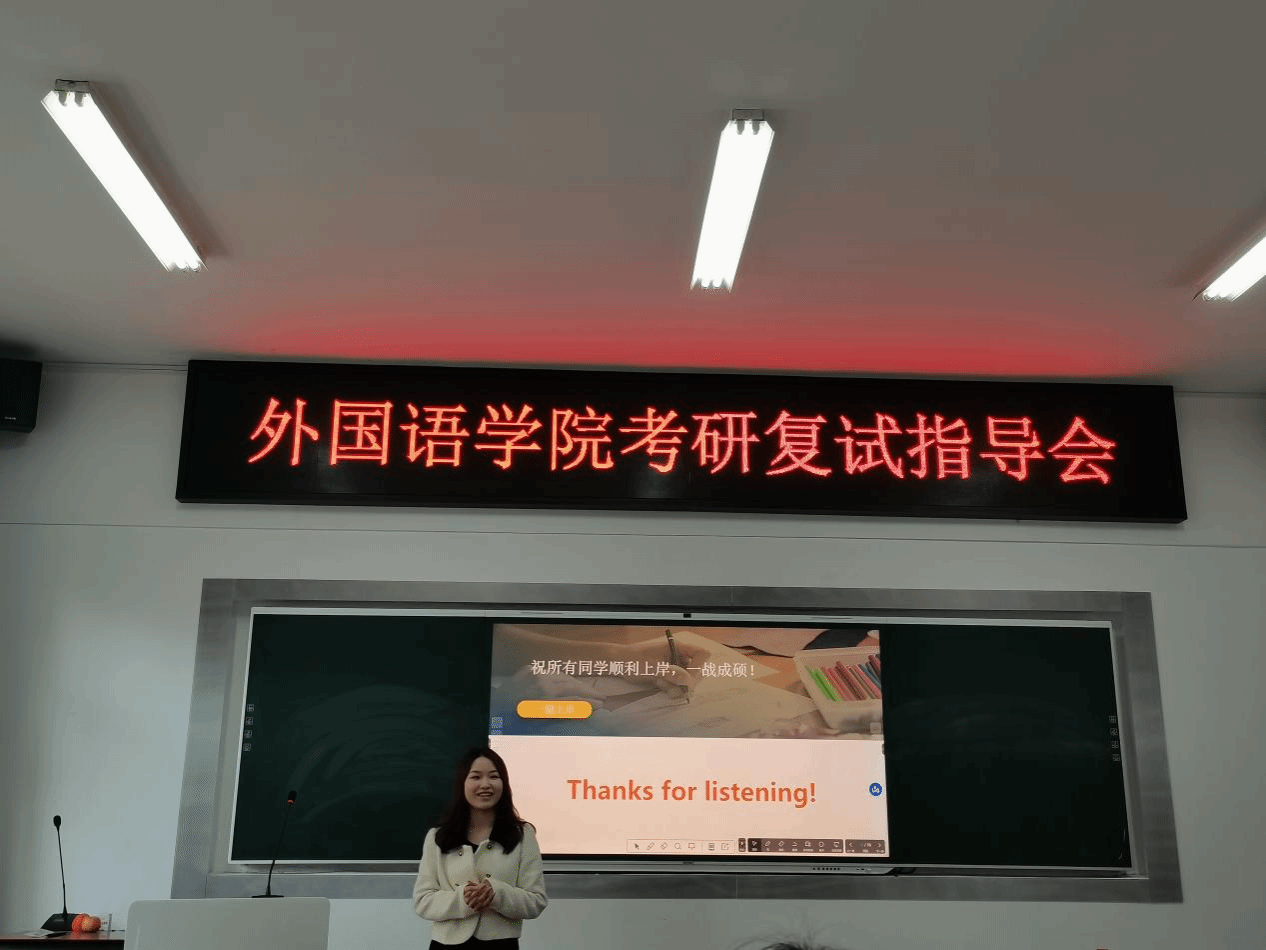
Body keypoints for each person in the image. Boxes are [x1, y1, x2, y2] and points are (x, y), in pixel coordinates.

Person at [413, 748, 547, 948]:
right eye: (476, 777)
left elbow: (536, 900)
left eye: (494, 776)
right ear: (462, 783)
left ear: (504, 783)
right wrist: (463, 899)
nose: (485, 784)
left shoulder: (522, 834)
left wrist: (496, 894)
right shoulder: (437, 836)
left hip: (501, 944)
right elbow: (423, 901)